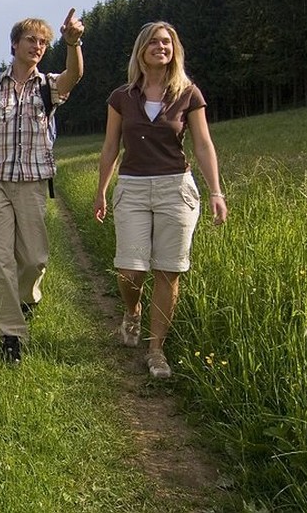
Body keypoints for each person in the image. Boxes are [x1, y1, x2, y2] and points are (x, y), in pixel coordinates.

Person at [92, 21, 227, 379]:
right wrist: (101, 189)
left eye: (167, 42)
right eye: (153, 42)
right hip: (132, 187)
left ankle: (156, 351)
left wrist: (215, 191)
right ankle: (132, 312)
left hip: (175, 189)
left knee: (169, 270)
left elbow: (202, 144)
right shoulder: (121, 96)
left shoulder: (188, 93)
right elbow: (110, 146)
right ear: (141, 50)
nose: (161, 47)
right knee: (130, 270)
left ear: (175, 50)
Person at [0, 9, 85, 364]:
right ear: (14, 44)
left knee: (33, 259)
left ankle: (27, 298)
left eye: (44, 42)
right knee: (0, 261)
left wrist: (73, 43)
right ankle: (11, 334)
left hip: (32, 182)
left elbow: (74, 76)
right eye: (31, 39)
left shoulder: (48, 85)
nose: (38, 46)